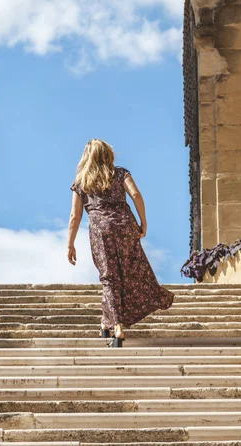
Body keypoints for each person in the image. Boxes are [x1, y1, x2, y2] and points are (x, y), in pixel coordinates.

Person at [67, 138, 174, 347]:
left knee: (109, 277)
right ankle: (105, 323)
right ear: (109, 155)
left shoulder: (81, 182)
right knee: (131, 271)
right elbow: (135, 194)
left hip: (101, 231)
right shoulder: (120, 173)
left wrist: (70, 244)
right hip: (125, 226)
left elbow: (75, 216)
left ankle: (116, 327)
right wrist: (143, 221)